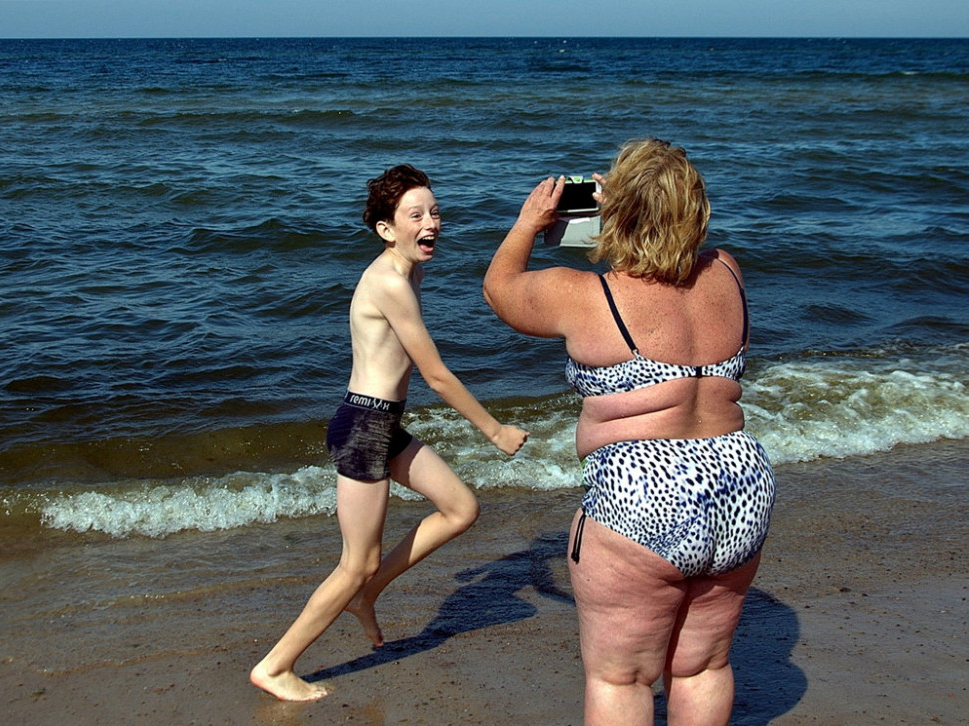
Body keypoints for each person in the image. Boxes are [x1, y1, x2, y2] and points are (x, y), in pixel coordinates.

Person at [483, 138, 776, 726]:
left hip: (642, 493)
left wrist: (531, 222)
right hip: (742, 483)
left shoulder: (584, 297)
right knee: (703, 667)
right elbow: (655, 258)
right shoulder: (726, 272)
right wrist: (620, 215)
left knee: (622, 677)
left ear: (622, 212)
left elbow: (501, 289)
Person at [250, 164, 529, 702]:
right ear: (385, 228)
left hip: (382, 424)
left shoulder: (406, 271)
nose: (432, 223)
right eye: (416, 215)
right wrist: (493, 432)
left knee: (460, 509)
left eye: (435, 212)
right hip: (363, 429)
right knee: (356, 562)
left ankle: (367, 594)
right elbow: (438, 376)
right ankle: (276, 665)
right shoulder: (388, 282)